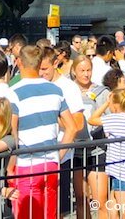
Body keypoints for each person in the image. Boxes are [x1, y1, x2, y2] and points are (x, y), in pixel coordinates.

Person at [10, 45, 76, 218]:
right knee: (50, 213)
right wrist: (58, 155)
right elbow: (72, 127)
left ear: (19, 62)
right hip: (51, 163)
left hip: (26, 164)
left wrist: (10, 167)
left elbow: (13, 132)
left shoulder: (13, 93)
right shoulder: (56, 90)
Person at [38, 47, 85, 217]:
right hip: (36, 158)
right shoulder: (37, 84)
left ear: (55, 63)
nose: (41, 73)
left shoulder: (68, 87)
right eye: (38, 69)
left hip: (60, 158)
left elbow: (78, 125)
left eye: (44, 69)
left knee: (57, 211)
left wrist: (52, 116)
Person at [88, 88, 125, 219]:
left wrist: (105, 103)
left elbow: (92, 120)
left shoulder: (116, 119)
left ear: (115, 105)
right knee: (113, 205)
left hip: (119, 169)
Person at [71, 55, 110, 219]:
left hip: (97, 150)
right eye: (82, 70)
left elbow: (110, 117)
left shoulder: (102, 92)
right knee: (81, 198)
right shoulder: (69, 90)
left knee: (100, 200)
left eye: (89, 70)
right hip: (76, 151)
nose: (86, 74)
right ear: (74, 71)